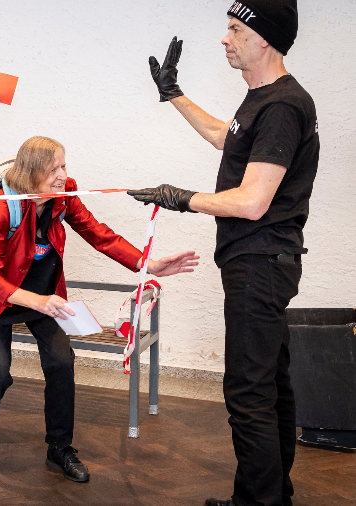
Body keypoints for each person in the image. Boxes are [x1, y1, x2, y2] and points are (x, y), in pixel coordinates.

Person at [130, 2, 317, 505]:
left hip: (260, 262)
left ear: (265, 39)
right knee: (270, 386)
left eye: (235, 29)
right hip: (261, 263)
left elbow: (253, 201)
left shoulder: (281, 107)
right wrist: (174, 95)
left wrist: (181, 199)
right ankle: (269, 496)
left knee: (248, 394)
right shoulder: (259, 100)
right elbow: (224, 137)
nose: (225, 39)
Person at [0, 136, 198, 479]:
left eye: (64, 166)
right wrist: (37, 301)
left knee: (62, 361)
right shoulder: (2, 206)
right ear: (33, 171)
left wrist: (149, 264)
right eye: (55, 168)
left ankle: (59, 448)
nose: (63, 175)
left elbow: (100, 235)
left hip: (44, 297)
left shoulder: (64, 197)